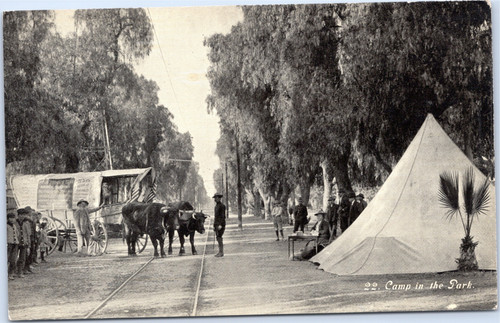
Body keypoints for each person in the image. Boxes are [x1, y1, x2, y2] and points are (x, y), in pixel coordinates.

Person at [16, 208, 31, 277]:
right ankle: (12, 272)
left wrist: (28, 244)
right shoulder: (15, 223)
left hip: (24, 243)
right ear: (18, 215)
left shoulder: (26, 223)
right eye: (20, 215)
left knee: (22, 258)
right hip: (16, 243)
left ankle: (20, 272)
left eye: (23, 215)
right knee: (13, 258)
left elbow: (28, 234)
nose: (22, 216)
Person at [213, 193, 226, 257]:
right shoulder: (216, 206)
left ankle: (221, 252)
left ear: (219, 198)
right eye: (215, 198)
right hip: (217, 225)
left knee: (219, 237)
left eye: (216, 198)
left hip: (220, 225)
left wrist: (220, 225)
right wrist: (214, 225)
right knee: (218, 238)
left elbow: (223, 216)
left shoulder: (222, 206)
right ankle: (220, 252)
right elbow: (216, 217)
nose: (215, 199)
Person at [7, 213, 20, 280]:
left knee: (13, 259)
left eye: (13, 218)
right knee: (7, 259)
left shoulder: (14, 226)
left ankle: (10, 274)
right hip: (8, 244)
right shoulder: (6, 226)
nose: (12, 220)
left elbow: (17, 234)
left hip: (15, 244)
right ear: (8, 219)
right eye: (10, 218)